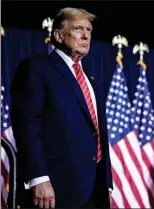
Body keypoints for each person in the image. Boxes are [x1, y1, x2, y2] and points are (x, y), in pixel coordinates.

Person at [11, 7, 112, 208]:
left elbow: (96, 135)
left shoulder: (91, 81)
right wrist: (38, 178)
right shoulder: (37, 68)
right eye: (78, 29)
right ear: (58, 35)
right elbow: (27, 126)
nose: (85, 36)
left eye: (89, 30)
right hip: (55, 190)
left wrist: (105, 183)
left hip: (93, 190)